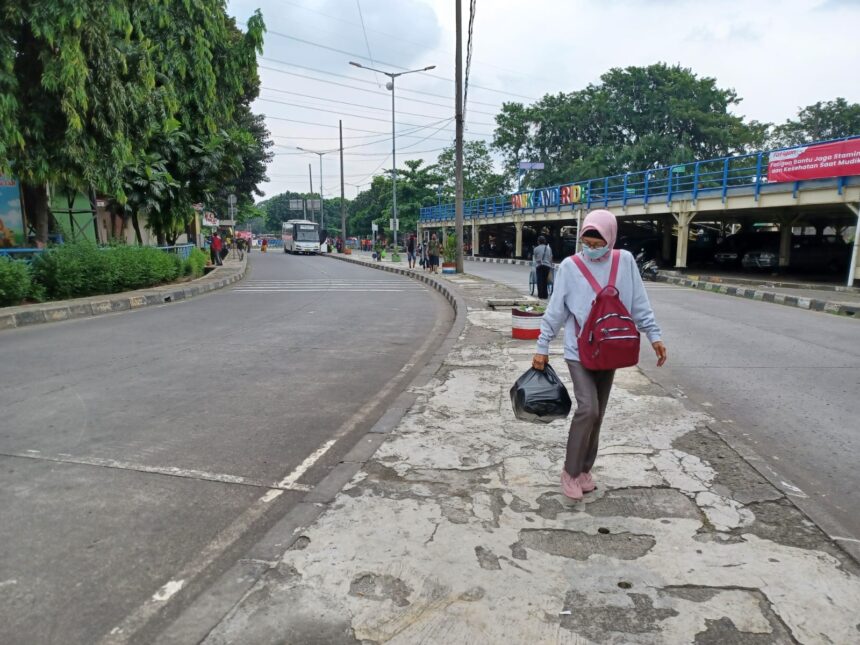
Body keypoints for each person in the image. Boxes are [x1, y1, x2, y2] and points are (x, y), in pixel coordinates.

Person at [532, 209, 668, 501]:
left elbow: (638, 303)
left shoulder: (625, 262)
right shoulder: (570, 266)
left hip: (610, 349)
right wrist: (542, 346)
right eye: (587, 243)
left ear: (611, 239)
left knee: (599, 414)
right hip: (578, 350)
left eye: (598, 243)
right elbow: (556, 310)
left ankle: (584, 471)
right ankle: (569, 472)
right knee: (588, 409)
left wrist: (654, 336)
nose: (592, 249)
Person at [532, 235, 553, 299]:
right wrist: (550, 265)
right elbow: (550, 258)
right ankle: (545, 295)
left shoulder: (535, 249)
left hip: (539, 266)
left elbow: (535, 258)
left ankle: (540, 295)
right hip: (547, 266)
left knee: (540, 280)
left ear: (538, 242)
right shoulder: (549, 248)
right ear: (545, 241)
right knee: (545, 281)